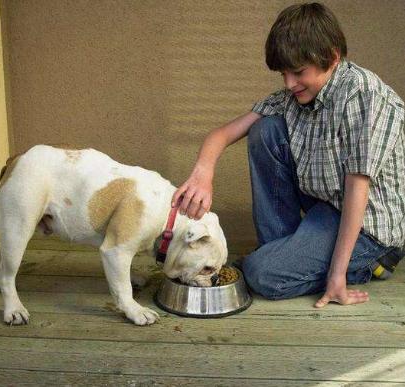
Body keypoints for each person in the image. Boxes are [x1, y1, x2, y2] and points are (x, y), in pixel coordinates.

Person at [172, 2, 405, 307]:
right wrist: (203, 174)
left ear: (332, 57)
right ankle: (281, 252)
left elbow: (357, 191)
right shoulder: (294, 97)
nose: (289, 83)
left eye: (297, 72)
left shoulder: (363, 96)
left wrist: (337, 277)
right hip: (328, 206)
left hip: (367, 228)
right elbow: (222, 134)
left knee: (261, 275)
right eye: (283, 73)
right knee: (265, 130)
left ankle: (360, 265)